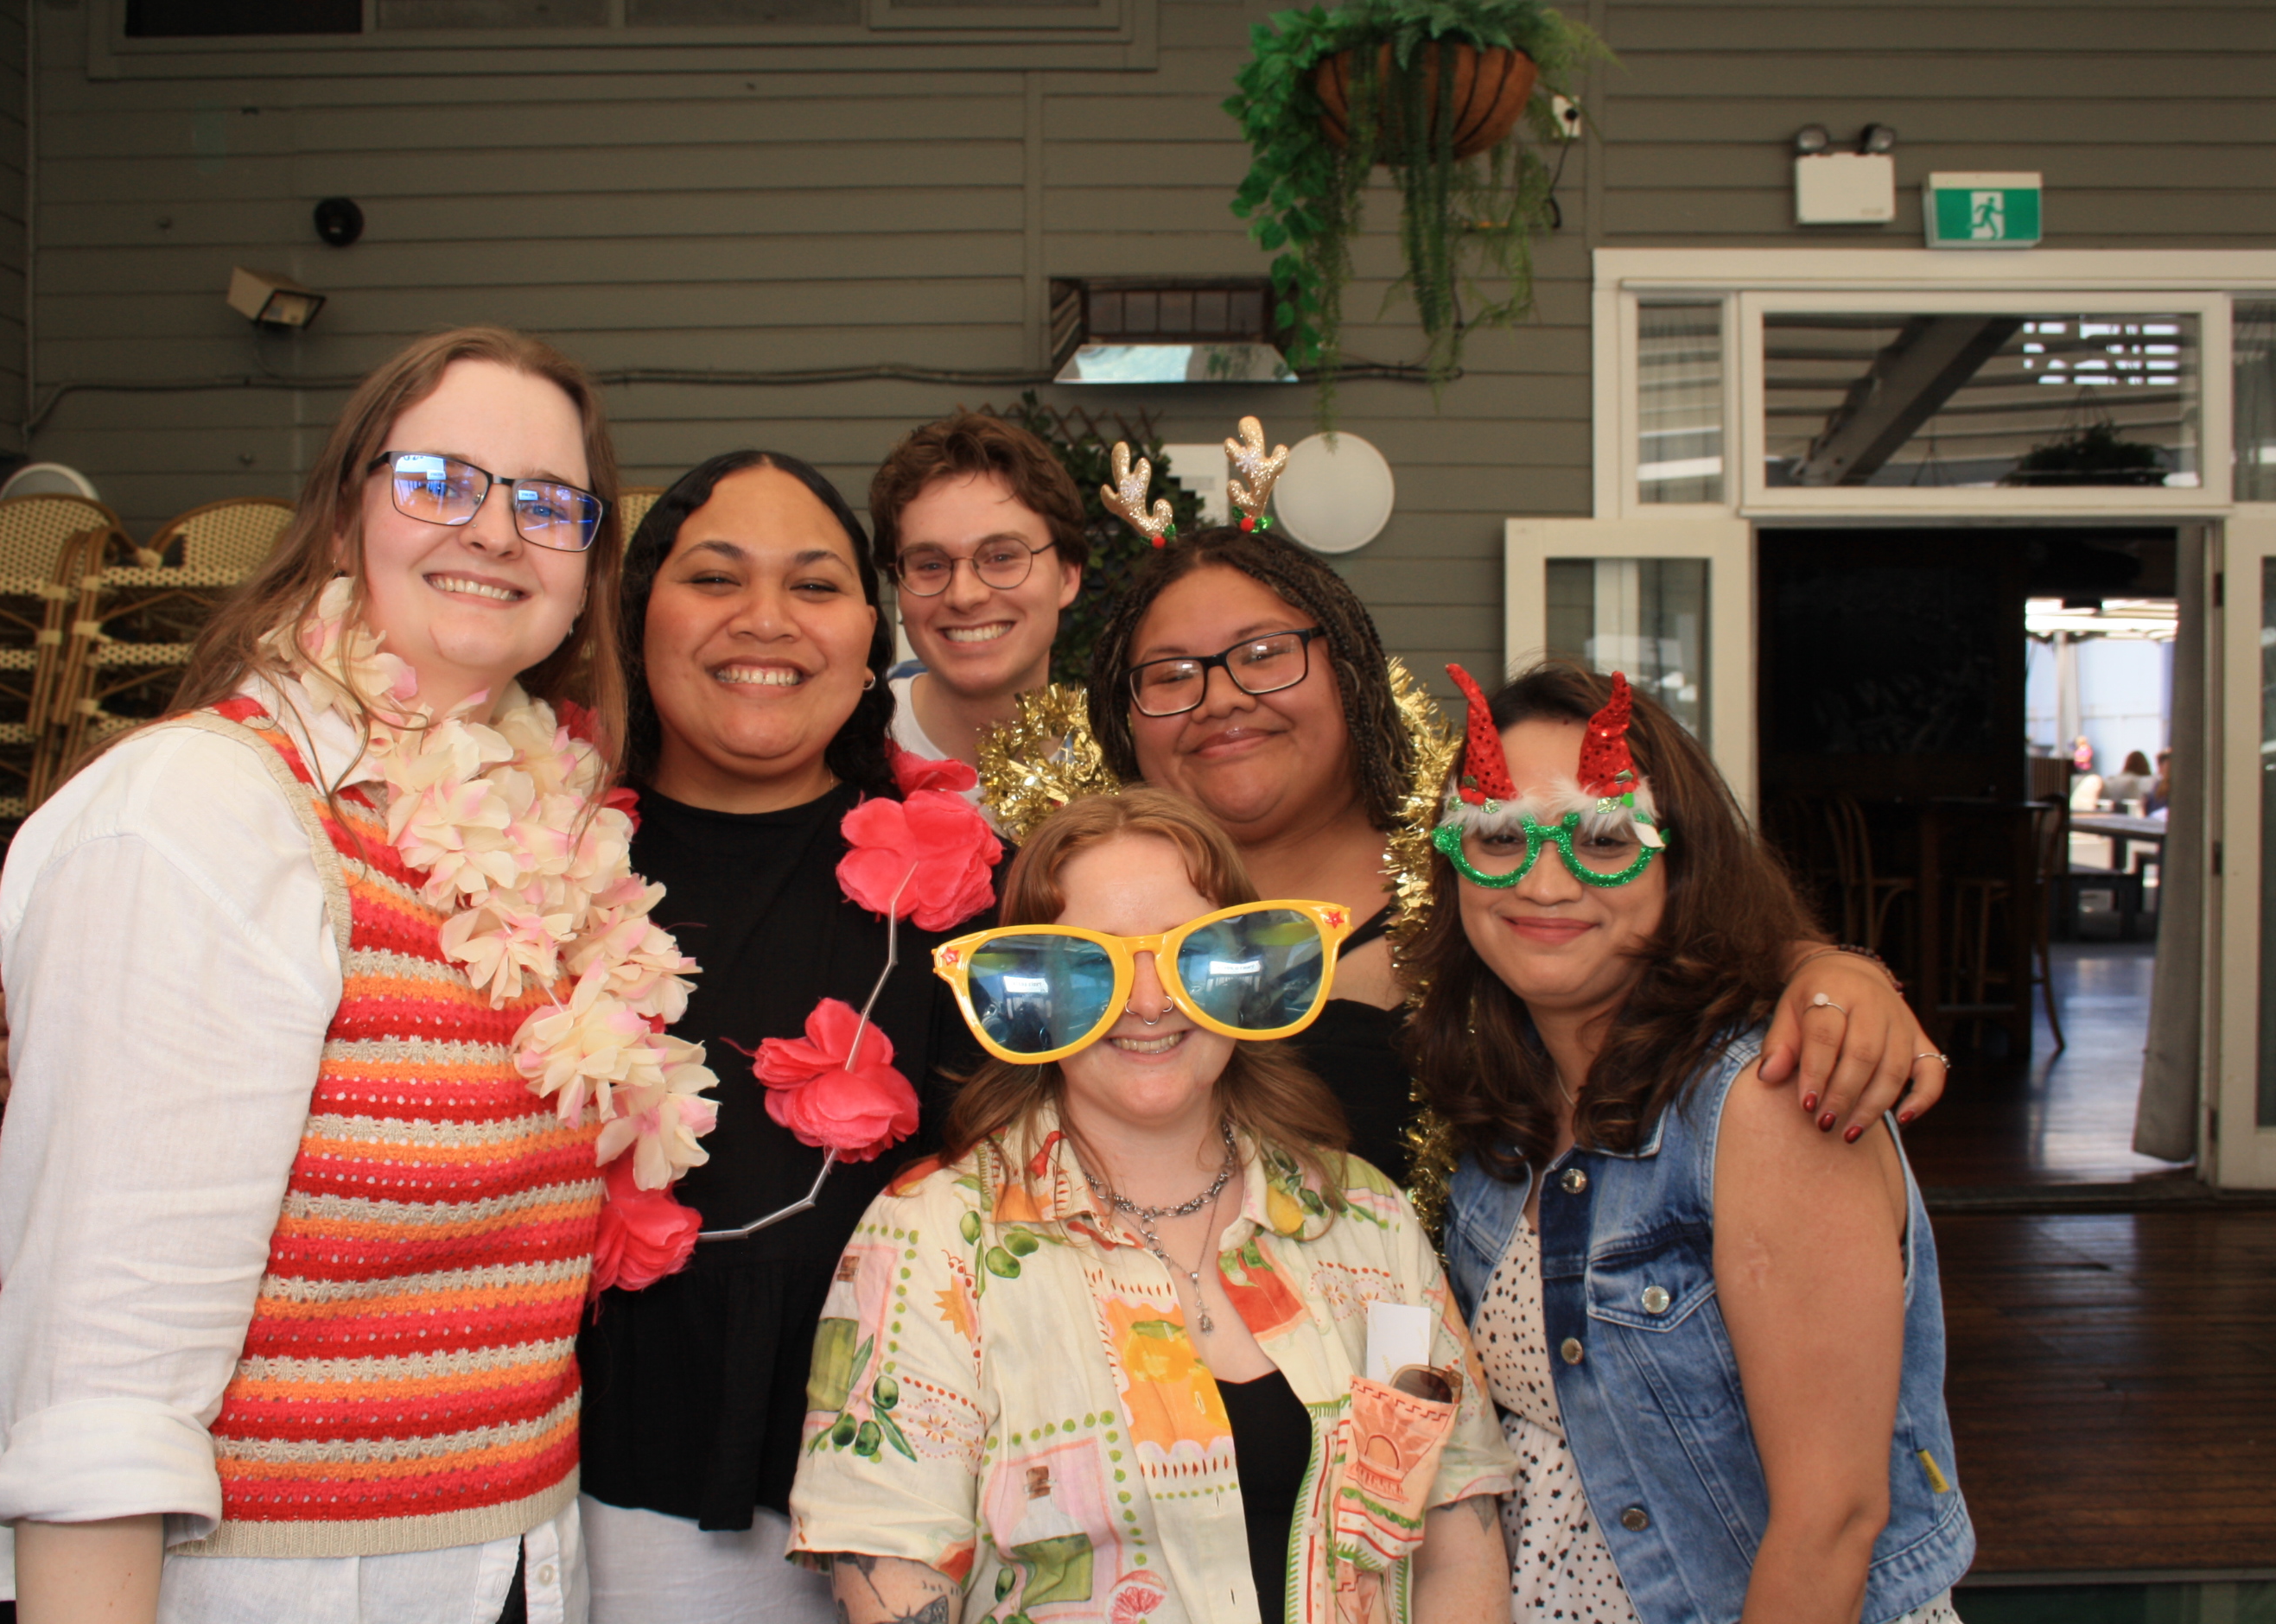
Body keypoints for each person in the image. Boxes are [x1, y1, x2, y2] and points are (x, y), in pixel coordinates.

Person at [0, 327, 645, 1624]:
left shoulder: (554, 838)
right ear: (345, 519)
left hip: (496, 1563)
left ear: (586, 573)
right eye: (437, 483)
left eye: (546, 503)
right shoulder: (203, 807)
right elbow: (102, 1371)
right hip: (244, 1586)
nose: (495, 529)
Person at [790, 789, 1517, 1624]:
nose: (1147, 1002)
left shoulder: (1364, 1215)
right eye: (1090, 965)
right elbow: (895, 1582)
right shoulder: (931, 1238)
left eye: (1192, 954)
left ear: (1245, 973)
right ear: (1033, 993)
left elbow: (1458, 1540)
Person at [1078, 517, 1945, 1182]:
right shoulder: (1087, 902)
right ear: (1124, 717)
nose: (1220, 697)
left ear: (1349, 673)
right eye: (1169, 674)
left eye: (1265, 655)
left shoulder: (1486, 869)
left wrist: (1827, 972)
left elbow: (1682, 936)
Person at [1411, 664, 1972, 1624]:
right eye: (1498, 836)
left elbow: (1832, 1516)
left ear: (1681, 858)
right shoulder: (1510, 1110)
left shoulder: (1764, 1100)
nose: (1544, 881)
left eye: (1602, 837)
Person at [574, 449, 1006, 1623]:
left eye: (814, 586)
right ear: (636, 610)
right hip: (557, 1502)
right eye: (715, 578)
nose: (765, 620)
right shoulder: (524, 860)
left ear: (870, 635)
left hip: (906, 1514)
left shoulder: (985, 895)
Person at [869, 411, 1084, 814]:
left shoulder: (1125, 768)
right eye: (930, 564)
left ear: (1068, 577)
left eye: (1002, 556)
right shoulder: (845, 749)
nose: (965, 595)